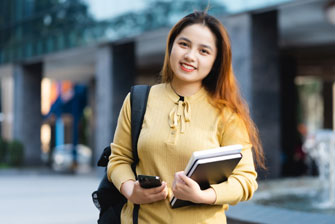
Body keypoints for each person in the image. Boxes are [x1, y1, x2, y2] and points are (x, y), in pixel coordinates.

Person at [107, 10, 265, 224]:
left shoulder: (227, 113)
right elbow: (118, 159)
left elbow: (245, 180)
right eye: (184, 44)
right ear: (171, 46)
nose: (190, 56)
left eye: (204, 51)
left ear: (216, 61)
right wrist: (130, 190)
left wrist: (203, 196)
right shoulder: (138, 100)